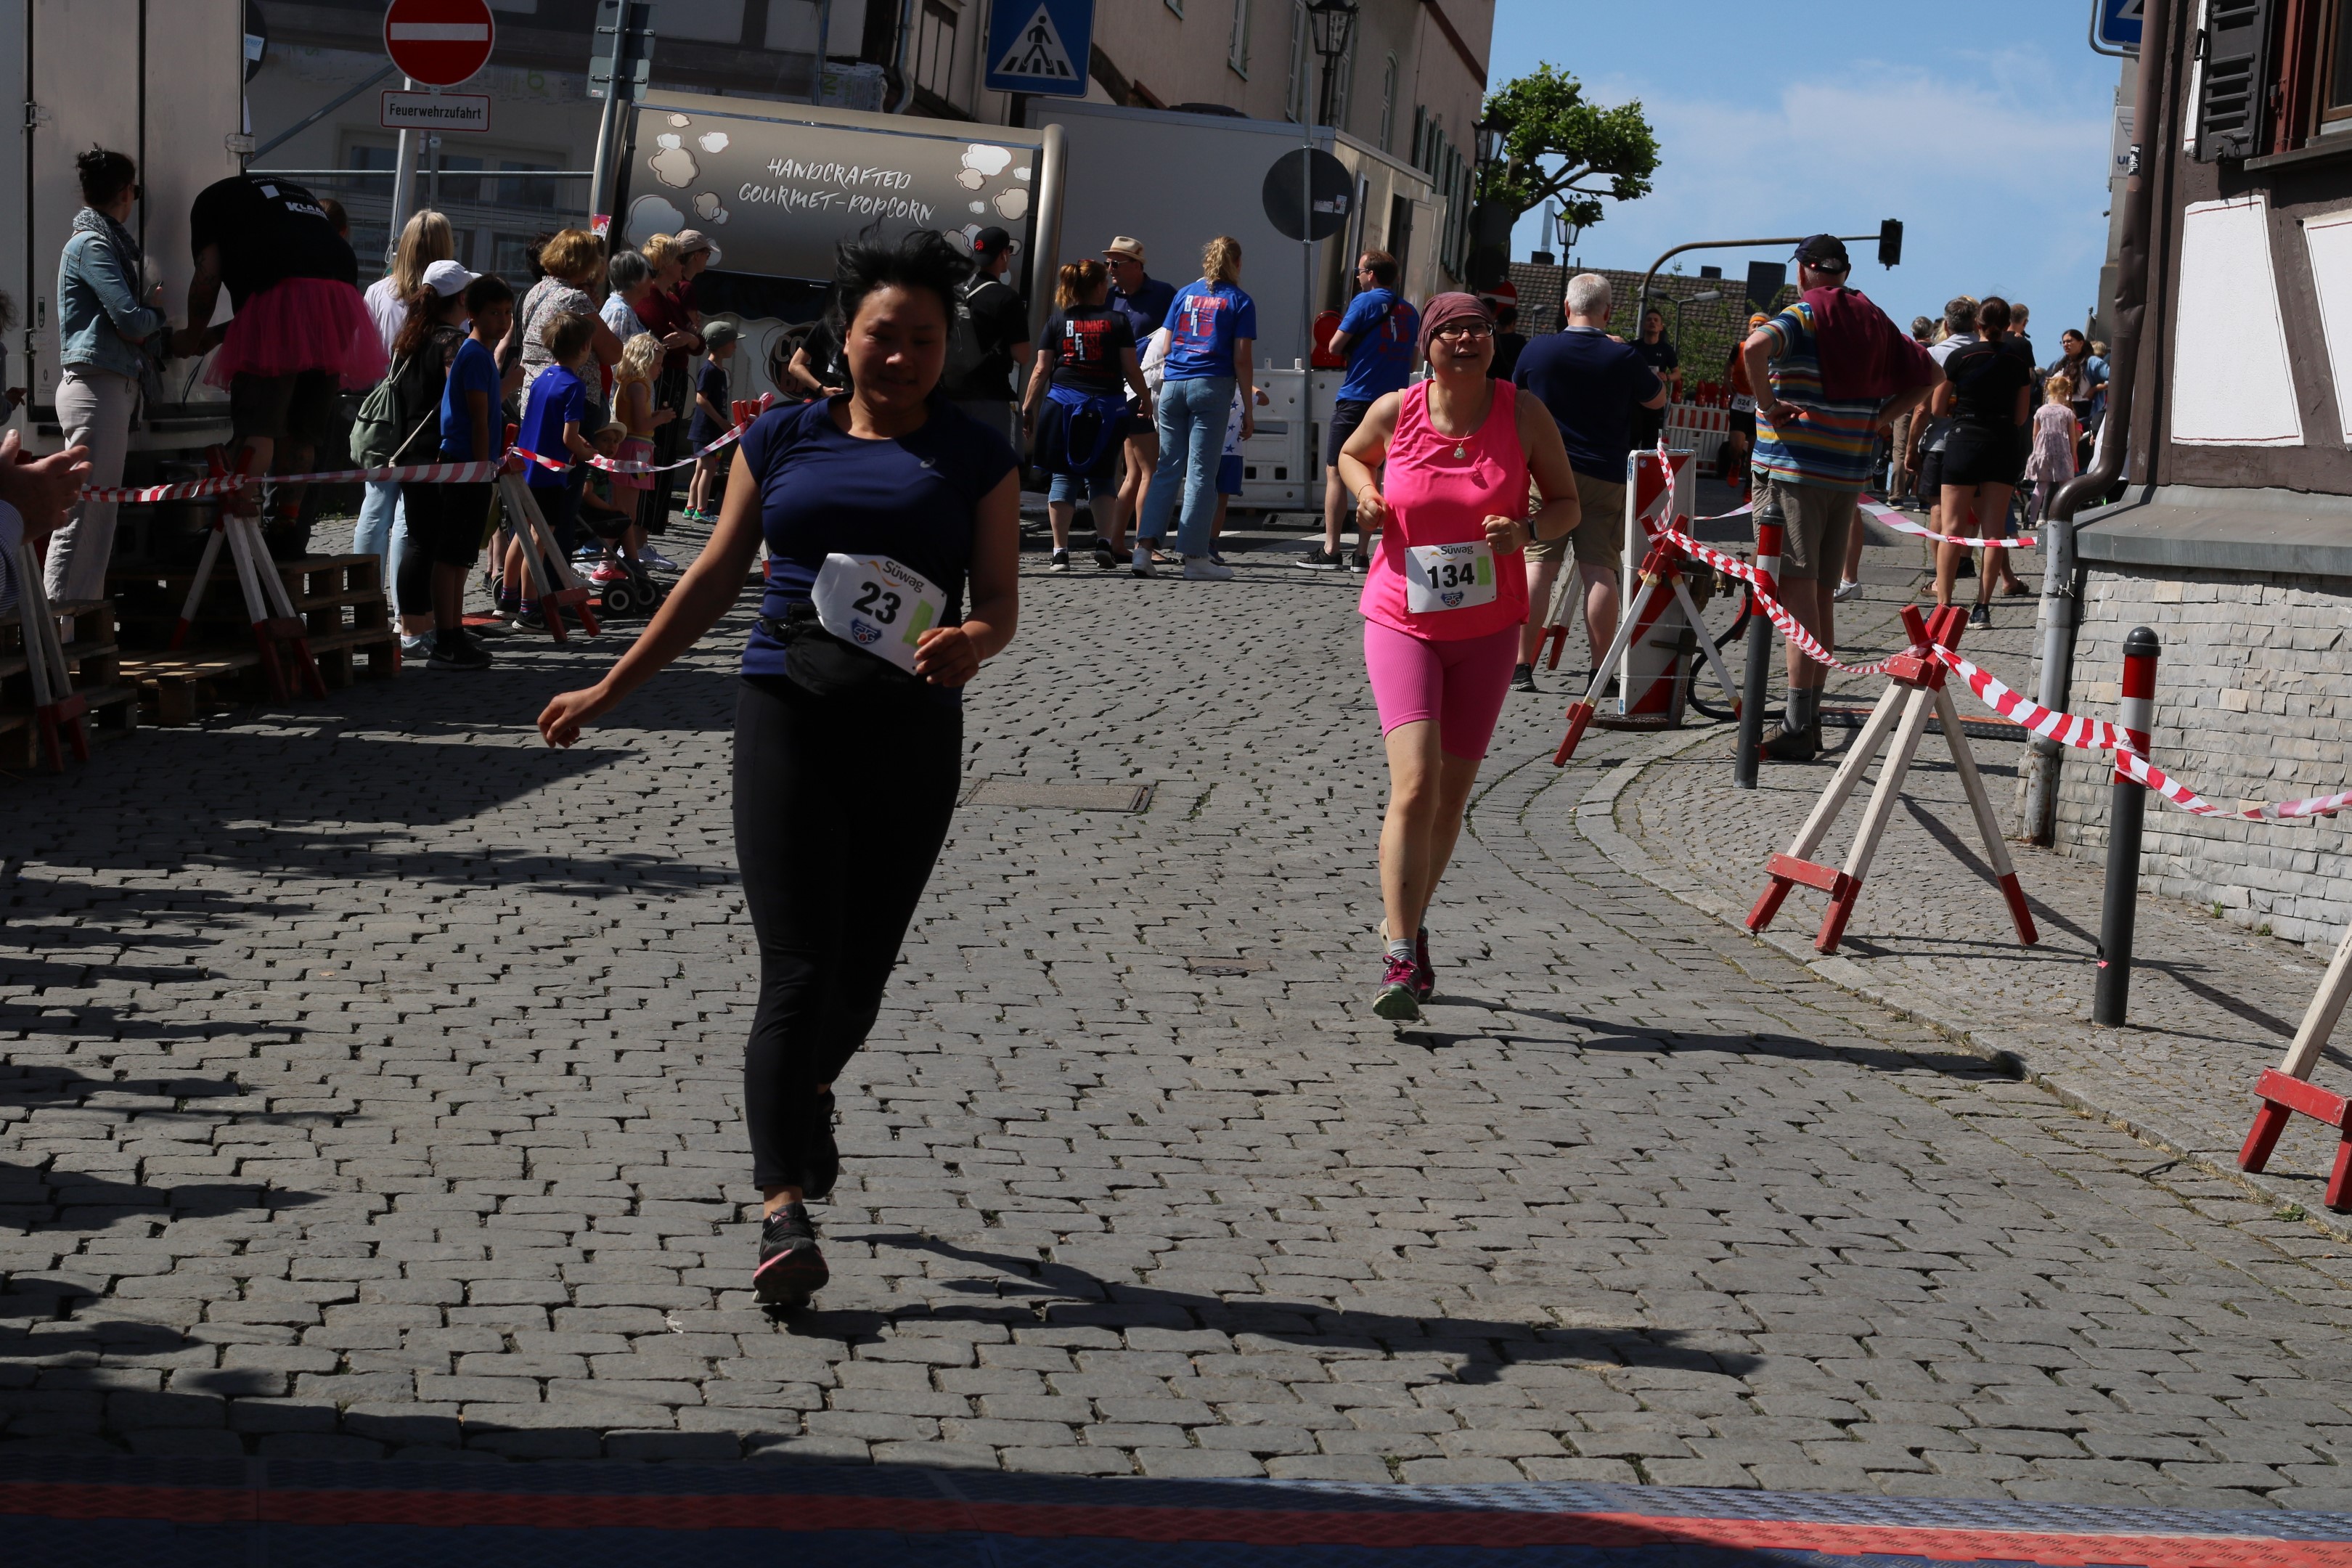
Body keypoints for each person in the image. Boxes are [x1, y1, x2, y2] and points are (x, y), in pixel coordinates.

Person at [535, 230, 1021, 1310]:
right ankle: (781, 1208)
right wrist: (610, 690)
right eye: (884, 335)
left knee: (860, 980)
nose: (902, 357)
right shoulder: (781, 436)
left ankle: (811, 1092)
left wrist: (974, 642)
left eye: (925, 340)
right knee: (798, 968)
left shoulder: (977, 453)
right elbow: (714, 577)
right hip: (786, 711)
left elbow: (999, 600)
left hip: (910, 727)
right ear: (844, 336)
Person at [1334, 293, 1580, 1021]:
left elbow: (1567, 504)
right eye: (1451, 331)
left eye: (1477, 329)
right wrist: (1367, 493)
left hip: (1488, 630)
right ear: (1429, 345)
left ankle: (1409, 920)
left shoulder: (1523, 414)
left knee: (1451, 798)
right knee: (1415, 784)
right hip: (1402, 620)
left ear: (1493, 342)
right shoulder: (1397, 409)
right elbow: (1350, 454)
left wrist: (1527, 529)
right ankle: (1400, 954)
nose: (1466, 340)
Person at [1738, 234, 1938, 759]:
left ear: (1804, 270)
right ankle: (1808, 718)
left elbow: (1754, 348)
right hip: (1847, 473)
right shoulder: (1874, 319)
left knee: (1796, 593)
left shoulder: (1803, 314)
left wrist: (1769, 404)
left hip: (1795, 470)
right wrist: (1879, 419)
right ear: (1845, 273)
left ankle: (1797, 723)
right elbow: (1932, 375)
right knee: (1821, 594)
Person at [171, 171, 383, 558]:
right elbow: (294, 302)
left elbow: (208, 278)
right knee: (302, 433)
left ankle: (238, 532)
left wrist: (190, 335)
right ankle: (286, 528)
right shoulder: (292, 200)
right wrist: (216, 335)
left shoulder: (211, 203)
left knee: (259, 427)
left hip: (291, 294)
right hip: (341, 300)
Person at [1508, 272, 1665, 692]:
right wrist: (1623, 351)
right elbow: (1657, 399)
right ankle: (1600, 671)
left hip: (1546, 473)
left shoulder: (1538, 349)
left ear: (1566, 308)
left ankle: (1521, 667)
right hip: (1605, 474)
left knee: (1539, 566)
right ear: (1607, 312)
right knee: (1600, 570)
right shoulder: (1623, 356)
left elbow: (1512, 398)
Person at [46, 148, 165, 604]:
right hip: (97, 387)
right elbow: (131, 322)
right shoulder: (93, 245)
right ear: (125, 192)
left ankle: (75, 620)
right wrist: (156, 313)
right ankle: (61, 626)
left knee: (95, 515)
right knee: (85, 514)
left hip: (103, 386)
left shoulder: (98, 243)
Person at [355, 209, 455, 643]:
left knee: (375, 507)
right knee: (408, 519)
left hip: (384, 408)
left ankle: (364, 607)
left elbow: (363, 350)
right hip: (424, 414)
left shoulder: (378, 292)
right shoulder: (445, 297)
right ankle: (406, 614)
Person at [390, 264, 494, 670]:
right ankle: (425, 629)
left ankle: (415, 625)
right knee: (437, 546)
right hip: (441, 456)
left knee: (420, 539)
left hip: (409, 450)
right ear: (463, 300)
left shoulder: (410, 337)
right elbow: (465, 399)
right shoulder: (453, 342)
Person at [1136, 235, 1256, 581]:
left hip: (1174, 386)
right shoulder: (1240, 301)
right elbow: (1242, 358)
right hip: (1212, 386)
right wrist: (1248, 408)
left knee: (1167, 469)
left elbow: (1168, 346)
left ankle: (1143, 549)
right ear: (1237, 263)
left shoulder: (1184, 294)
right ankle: (1194, 556)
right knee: (1202, 472)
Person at [1021, 258, 1148, 571]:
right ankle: (1104, 542)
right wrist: (1145, 398)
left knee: (1063, 476)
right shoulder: (1118, 321)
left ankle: (1060, 552)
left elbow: (1041, 369)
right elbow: (1131, 368)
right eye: (1105, 282)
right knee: (1103, 476)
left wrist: (1028, 406)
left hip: (1063, 406)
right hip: (1106, 408)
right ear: (1098, 286)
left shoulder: (1057, 321)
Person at [1304, 250, 1417, 572]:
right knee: (1374, 474)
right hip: (1393, 402)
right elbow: (1412, 361)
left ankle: (1331, 550)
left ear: (1371, 275)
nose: (1357, 276)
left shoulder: (1364, 302)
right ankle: (1362, 554)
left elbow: (1334, 346)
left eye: (1360, 271)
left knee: (1337, 470)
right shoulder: (1410, 311)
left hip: (1358, 397)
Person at [1929, 295, 2033, 627]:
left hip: (1964, 440)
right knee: (1994, 531)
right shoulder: (2018, 362)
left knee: (1952, 528)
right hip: (2002, 443)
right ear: (2007, 325)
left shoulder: (1960, 357)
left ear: (1978, 324)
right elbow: (2021, 417)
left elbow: (1937, 408)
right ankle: (1982, 607)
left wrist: (1960, 412)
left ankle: (1944, 605)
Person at [506, 310, 600, 624]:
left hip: (526, 468)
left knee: (523, 534)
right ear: (585, 347)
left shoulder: (542, 378)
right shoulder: (575, 385)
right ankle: (528, 608)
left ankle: (507, 597)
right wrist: (586, 453)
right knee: (540, 539)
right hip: (549, 476)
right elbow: (569, 437)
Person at [437, 274, 514, 642]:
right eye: (494, 313)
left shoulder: (480, 354)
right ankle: (447, 633)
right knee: (452, 554)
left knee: (463, 554)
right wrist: (483, 469)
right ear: (473, 314)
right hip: (466, 466)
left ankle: (455, 627)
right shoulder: (475, 356)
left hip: (470, 465)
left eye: (507, 312)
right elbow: (479, 418)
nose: (502, 320)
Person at [1103, 236, 1175, 550]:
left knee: (1137, 472)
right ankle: (1143, 547)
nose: (1110, 269)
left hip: (1146, 390)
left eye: (1116, 263)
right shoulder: (1108, 297)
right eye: (1108, 263)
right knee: (1147, 471)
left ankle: (1120, 542)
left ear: (1137, 265)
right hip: (1121, 393)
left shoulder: (1164, 294)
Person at [942, 226, 1032, 445]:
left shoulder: (956, 291)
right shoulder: (1007, 297)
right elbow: (1023, 355)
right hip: (994, 398)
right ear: (1004, 254)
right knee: (1004, 459)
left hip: (951, 396)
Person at [611, 330, 675, 559]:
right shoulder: (638, 386)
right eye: (657, 364)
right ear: (644, 362)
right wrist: (661, 418)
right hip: (634, 451)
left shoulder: (633, 384)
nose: (660, 369)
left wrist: (654, 416)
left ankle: (623, 559)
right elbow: (640, 424)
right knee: (627, 512)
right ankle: (611, 559)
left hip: (636, 449)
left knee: (627, 511)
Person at [685, 319, 741, 523]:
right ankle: (701, 510)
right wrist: (720, 421)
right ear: (722, 344)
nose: (735, 347)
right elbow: (701, 398)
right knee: (709, 470)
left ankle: (690, 506)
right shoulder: (709, 370)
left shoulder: (718, 370)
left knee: (701, 468)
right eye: (733, 342)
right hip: (706, 430)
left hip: (712, 430)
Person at [2024, 372, 2081, 530]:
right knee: (2066, 487)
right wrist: (2072, 454)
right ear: (2066, 392)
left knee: (2040, 487)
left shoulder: (2041, 411)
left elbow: (2035, 434)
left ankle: (2032, 520)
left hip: (2043, 453)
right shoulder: (2067, 413)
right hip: (2062, 453)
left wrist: (2037, 451)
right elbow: (2072, 437)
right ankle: (2068, 518)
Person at [1630, 306, 1681, 454]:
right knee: (1632, 436)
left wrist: (1667, 377)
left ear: (1661, 327)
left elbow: (1677, 373)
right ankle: (1629, 465)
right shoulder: (1634, 347)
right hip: (1635, 400)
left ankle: (1648, 466)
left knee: (1651, 441)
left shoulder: (1666, 350)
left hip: (1655, 401)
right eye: (1649, 320)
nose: (1652, 322)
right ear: (1644, 324)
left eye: (1656, 320)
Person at [603, 248, 656, 346]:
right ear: (635, 280)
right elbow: (612, 352)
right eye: (651, 274)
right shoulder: (620, 312)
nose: (653, 281)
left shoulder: (622, 307)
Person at [1490, 303, 1527, 383]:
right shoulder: (1520, 340)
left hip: (1493, 381)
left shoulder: (1492, 340)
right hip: (1510, 382)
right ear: (1513, 322)